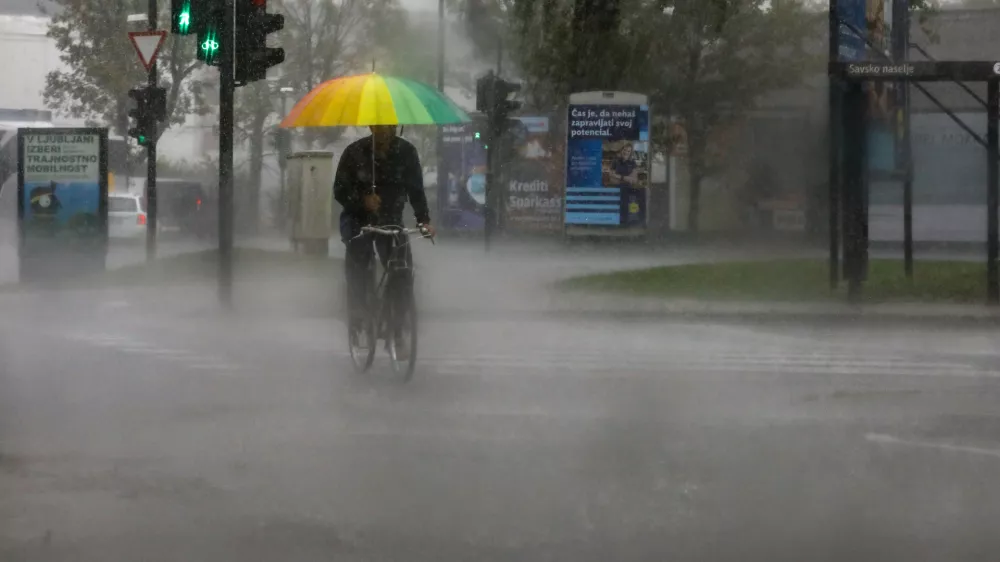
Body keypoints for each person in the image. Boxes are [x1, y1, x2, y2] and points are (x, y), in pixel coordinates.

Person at [334, 125, 435, 354]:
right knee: (359, 257)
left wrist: (424, 220)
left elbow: (416, 190)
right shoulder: (355, 152)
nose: (385, 132)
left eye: (389, 126)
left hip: (390, 218)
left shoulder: (406, 152)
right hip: (357, 219)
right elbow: (339, 190)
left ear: (395, 126)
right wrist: (362, 200)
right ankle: (358, 312)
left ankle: (397, 328)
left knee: (402, 269)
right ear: (371, 127)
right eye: (380, 127)